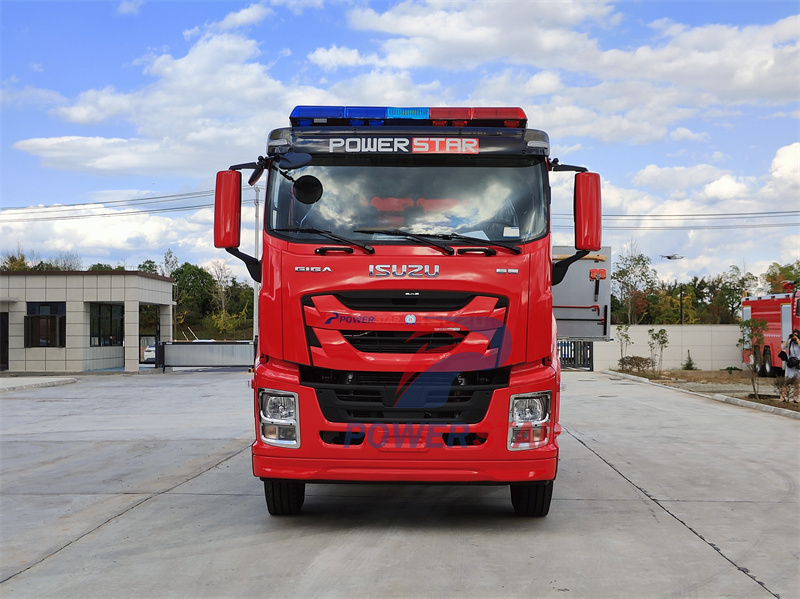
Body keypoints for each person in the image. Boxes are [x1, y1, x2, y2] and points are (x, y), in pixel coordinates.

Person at [780, 329, 800, 402]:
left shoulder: (798, 343)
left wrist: (797, 340)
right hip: (790, 365)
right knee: (787, 382)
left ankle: (796, 398)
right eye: (793, 335)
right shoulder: (790, 342)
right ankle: (782, 397)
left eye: (796, 335)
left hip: (797, 364)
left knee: (797, 383)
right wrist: (788, 338)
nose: (794, 337)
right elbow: (783, 347)